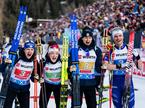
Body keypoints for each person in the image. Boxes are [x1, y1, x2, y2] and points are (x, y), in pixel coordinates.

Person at [102, 27, 142, 108]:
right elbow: (105, 65)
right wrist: (119, 66)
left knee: (130, 105)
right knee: (118, 105)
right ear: (113, 38)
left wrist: (137, 58)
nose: (118, 38)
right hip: (116, 80)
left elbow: (140, 67)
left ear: (123, 37)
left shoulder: (129, 49)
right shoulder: (110, 50)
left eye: (120, 36)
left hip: (128, 80)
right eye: (116, 36)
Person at [68, 26, 102, 108]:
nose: (88, 40)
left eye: (90, 37)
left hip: (91, 83)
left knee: (92, 106)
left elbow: (98, 68)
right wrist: (70, 71)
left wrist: (98, 84)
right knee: (75, 106)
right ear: (82, 38)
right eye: (85, 37)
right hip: (77, 83)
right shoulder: (75, 49)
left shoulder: (97, 50)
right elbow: (69, 65)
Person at [4, 40, 36, 108]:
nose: (30, 51)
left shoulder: (34, 61)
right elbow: (3, 69)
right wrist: (5, 63)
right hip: (12, 87)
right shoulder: (17, 57)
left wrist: (36, 78)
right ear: (24, 50)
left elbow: (33, 78)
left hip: (24, 89)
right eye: (27, 49)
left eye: (32, 49)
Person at [39, 41, 61, 108]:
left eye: (56, 53)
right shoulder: (44, 62)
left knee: (60, 105)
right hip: (47, 85)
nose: (54, 56)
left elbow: (67, 73)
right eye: (52, 53)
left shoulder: (62, 62)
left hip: (58, 86)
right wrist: (39, 77)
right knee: (42, 104)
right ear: (48, 54)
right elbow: (37, 72)